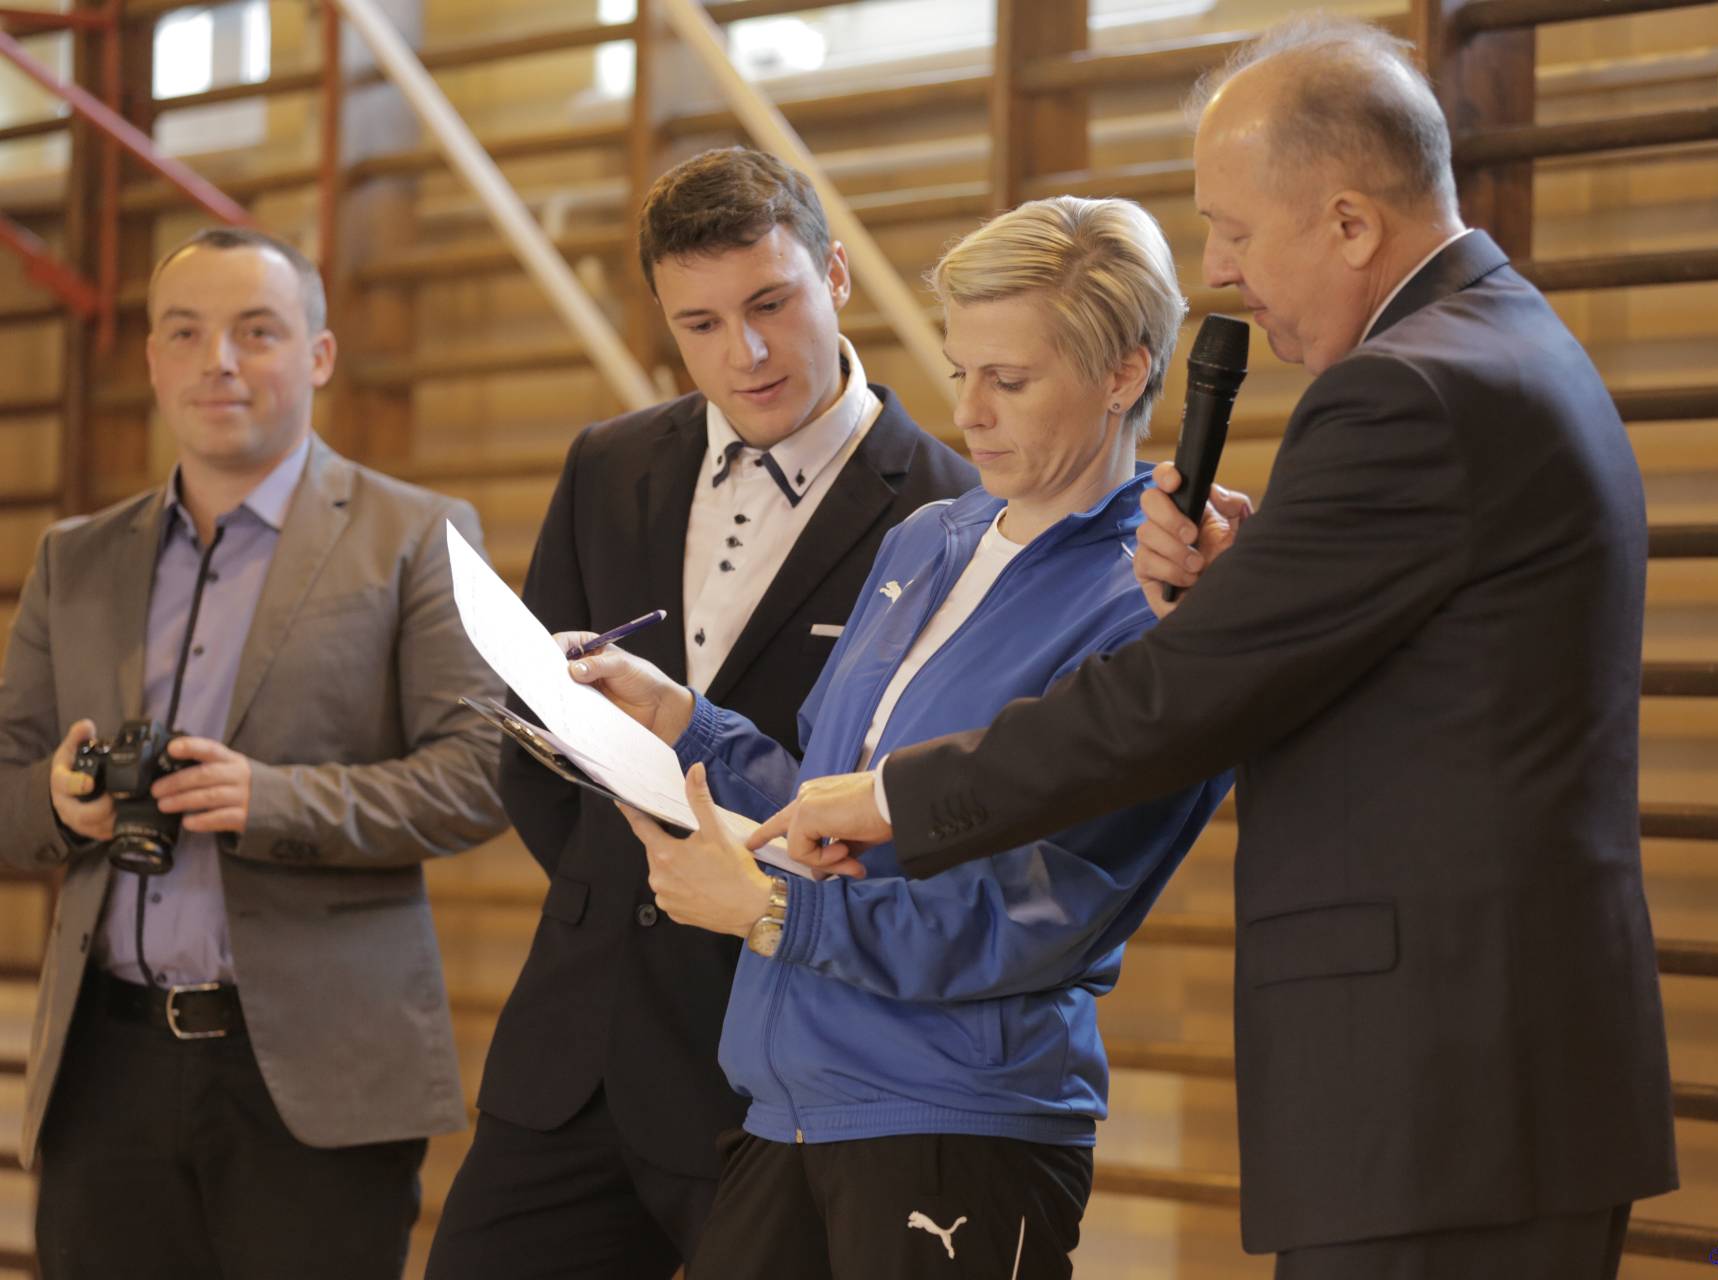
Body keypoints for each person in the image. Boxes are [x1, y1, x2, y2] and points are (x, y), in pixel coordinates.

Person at [759, 16, 1679, 1280]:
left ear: (1349, 222)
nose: (1220, 270)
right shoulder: (1504, 345)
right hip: (1496, 1069)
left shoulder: (1404, 392)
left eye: (1235, 231)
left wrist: (894, 796)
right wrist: (1241, 591)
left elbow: (1169, 701)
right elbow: (1389, 667)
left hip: (1443, 1078)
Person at [570, 192, 1230, 1280]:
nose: (968, 412)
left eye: (1009, 380)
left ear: (1124, 374)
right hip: (787, 1107)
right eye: (960, 369)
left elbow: (1038, 911)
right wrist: (686, 722)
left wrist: (773, 912)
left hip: (957, 1121)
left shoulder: (1158, 608)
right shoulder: (930, 536)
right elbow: (836, 804)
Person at [425, 146, 974, 1280]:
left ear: (836, 274)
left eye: (770, 304)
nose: (746, 353)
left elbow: (922, 810)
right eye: (703, 323)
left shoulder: (949, 510)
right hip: (574, 1045)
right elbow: (532, 739)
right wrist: (620, 882)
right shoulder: (607, 462)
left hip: (784, 1057)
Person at [0, 227, 508, 1279]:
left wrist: (269, 800)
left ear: (318, 355)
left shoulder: (418, 535)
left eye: (256, 332)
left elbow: (481, 773)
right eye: (186, 333)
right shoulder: (72, 558)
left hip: (320, 1079)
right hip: (105, 1073)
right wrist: (54, 802)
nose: (218, 361)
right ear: (153, 361)